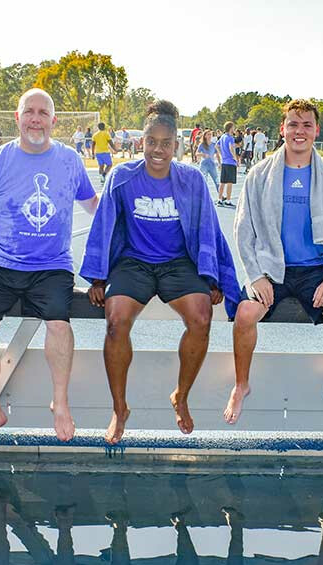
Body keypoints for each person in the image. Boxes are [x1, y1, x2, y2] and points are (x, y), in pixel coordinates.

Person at [80, 100, 240, 444]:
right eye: (152, 141)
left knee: (200, 317)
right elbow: (105, 224)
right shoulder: (123, 177)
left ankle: (181, 395)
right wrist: (98, 276)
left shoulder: (192, 180)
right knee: (116, 320)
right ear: (142, 141)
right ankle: (119, 408)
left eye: (166, 143)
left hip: (176, 263)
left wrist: (211, 277)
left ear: (177, 146)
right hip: (134, 262)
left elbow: (207, 228)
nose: (158, 149)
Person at [0, 88, 98, 454]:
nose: (36, 119)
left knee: (59, 325)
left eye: (43, 113)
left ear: (54, 120)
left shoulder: (70, 161)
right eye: (30, 112)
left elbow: (94, 208)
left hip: (51, 265)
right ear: (18, 117)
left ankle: (60, 401)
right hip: (0, 262)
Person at [225, 99, 323, 428]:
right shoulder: (260, 175)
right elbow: (243, 230)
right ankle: (241, 385)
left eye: (307, 125)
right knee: (245, 314)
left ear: (316, 131)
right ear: (282, 129)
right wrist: (256, 276)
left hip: (313, 271)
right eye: (293, 125)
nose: (300, 131)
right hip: (272, 269)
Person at [216, 121, 238, 206]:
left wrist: (221, 154)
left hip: (224, 162)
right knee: (229, 182)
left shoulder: (222, 137)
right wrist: (235, 158)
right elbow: (231, 147)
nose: (234, 129)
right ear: (230, 128)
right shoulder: (230, 137)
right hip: (230, 162)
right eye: (233, 127)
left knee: (222, 182)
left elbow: (216, 146)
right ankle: (228, 200)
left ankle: (220, 199)